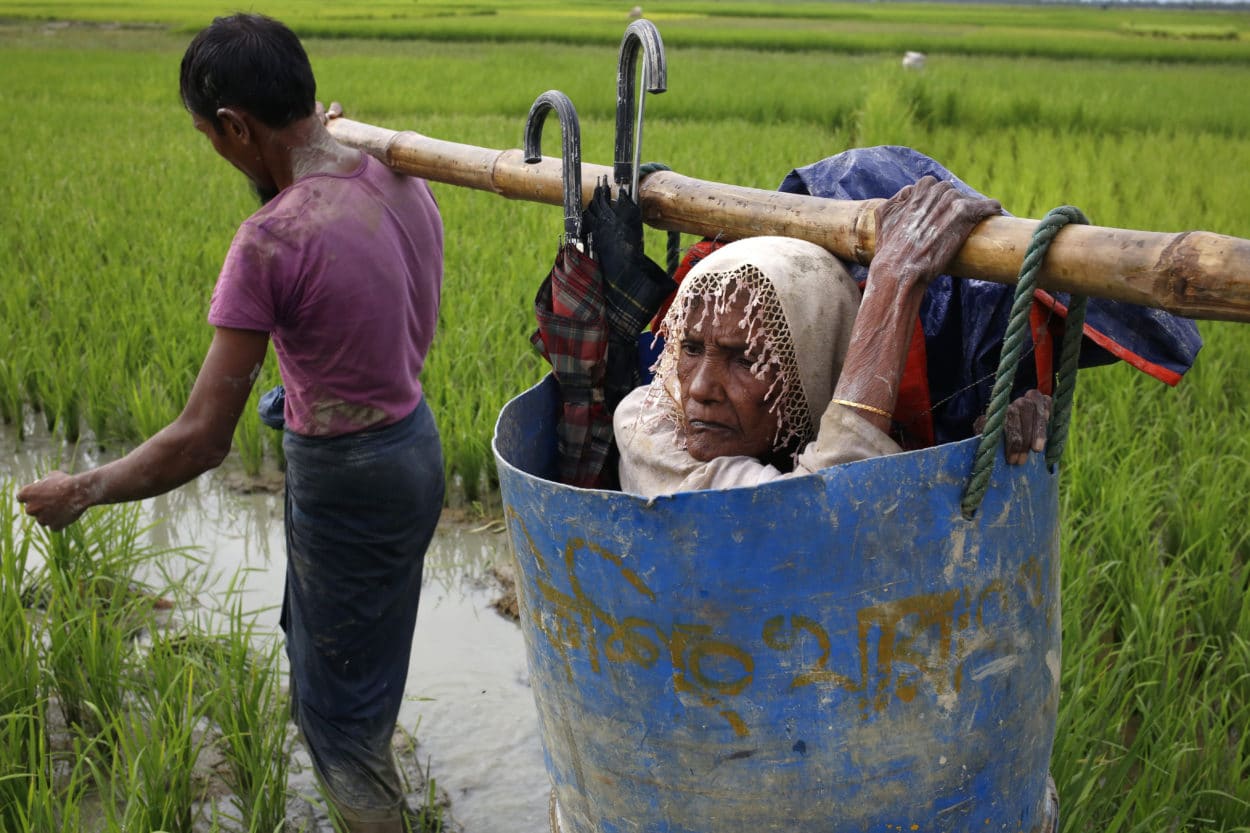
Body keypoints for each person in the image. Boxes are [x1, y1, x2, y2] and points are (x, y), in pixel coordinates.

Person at [17, 13, 444, 832]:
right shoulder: (397, 176)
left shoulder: (272, 243)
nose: (214, 149)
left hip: (348, 484)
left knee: (339, 727)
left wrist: (83, 489)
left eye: (211, 135)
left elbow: (203, 438)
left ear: (236, 126)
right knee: (362, 681)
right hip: (412, 448)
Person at [616, 175, 1052, 497]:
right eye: (691, 348)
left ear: (813, 367)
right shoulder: (646, 423)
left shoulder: (888, 429)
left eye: (746, 360)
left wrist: (991, 446)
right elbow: (827, 509)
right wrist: (895, 279)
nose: (698, 388)